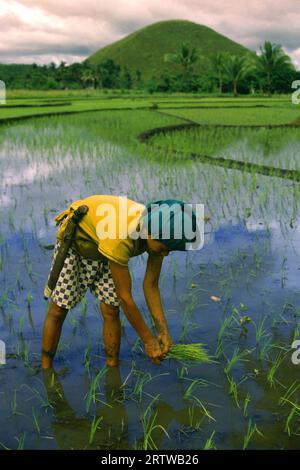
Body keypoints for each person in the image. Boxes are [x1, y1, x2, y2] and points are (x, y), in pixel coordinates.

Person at [42, 195, 199, 369]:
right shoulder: (122, 236)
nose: (165, 254)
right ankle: (45, 366)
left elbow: (151, 285)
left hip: (105, 249)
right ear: (148, 232)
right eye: (163, 249)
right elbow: (125, 297)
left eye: (169, 250)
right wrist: (148, 340)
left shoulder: (159, 232)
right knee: (59, 308)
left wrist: (163, 331)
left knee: (111, 309)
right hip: (78, 243)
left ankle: (112, 366)